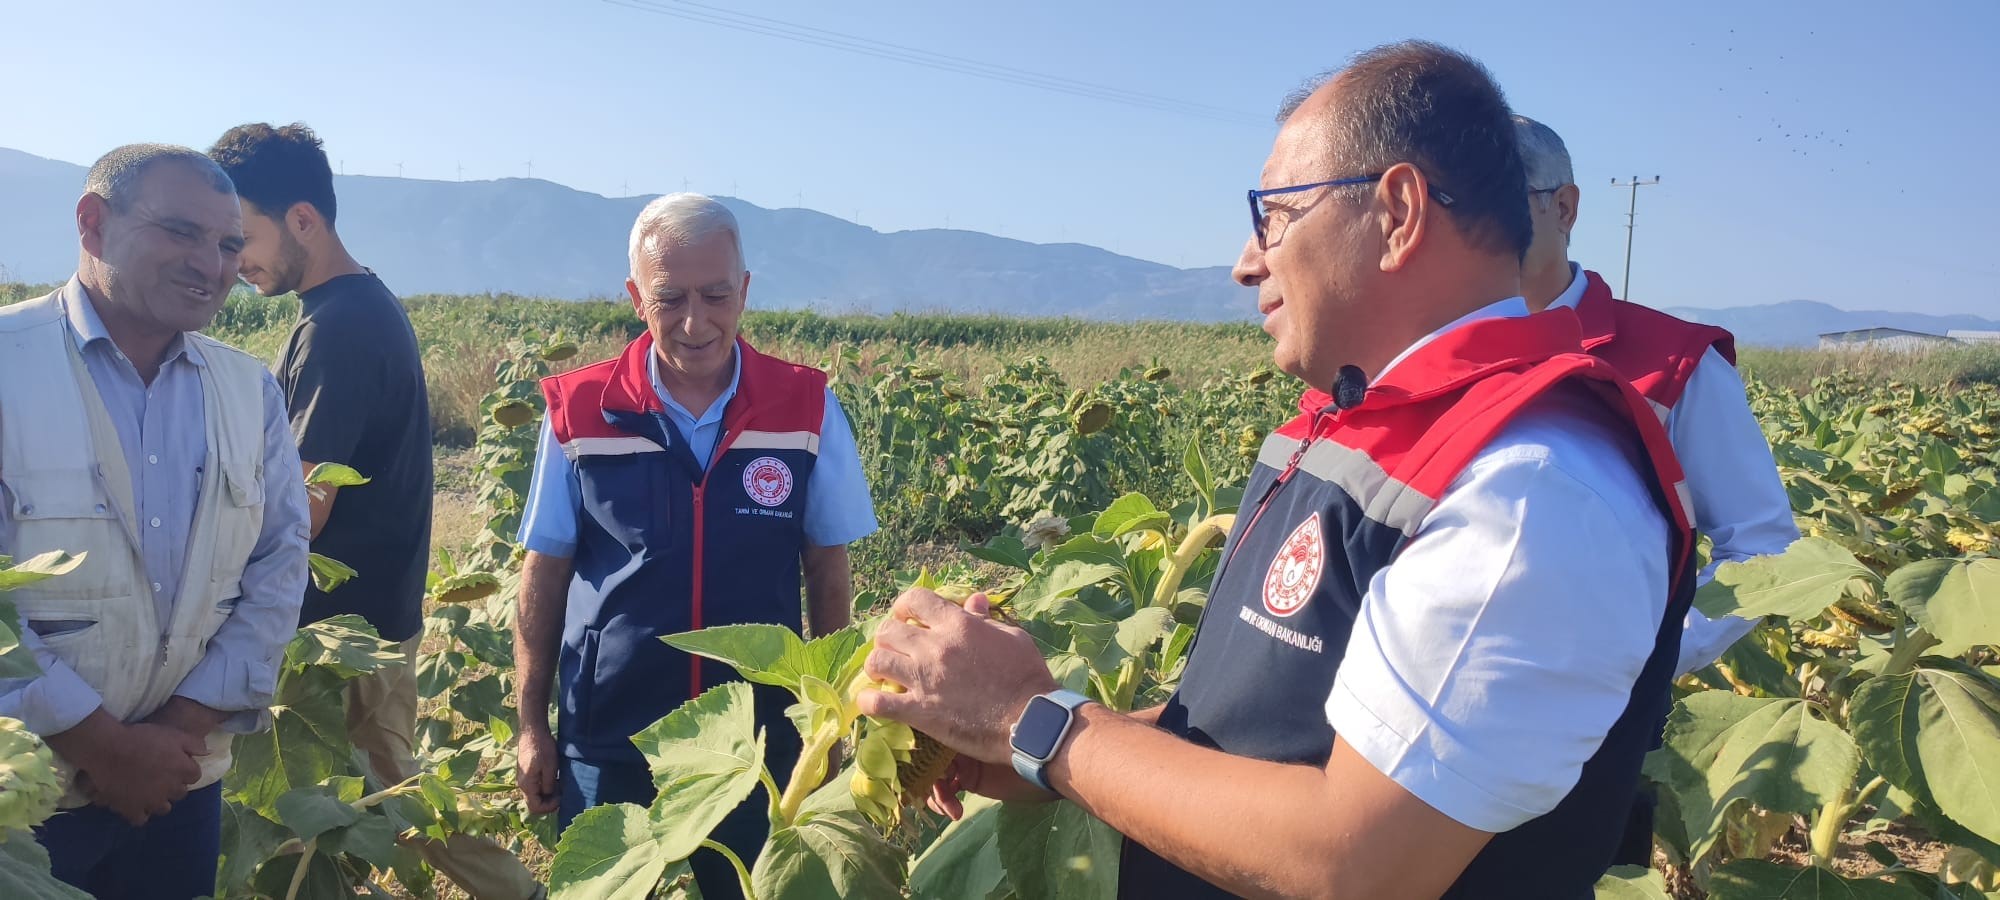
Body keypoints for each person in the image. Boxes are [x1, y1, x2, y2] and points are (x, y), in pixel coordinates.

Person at [854, 41, 1699, 898]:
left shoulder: (1528, 489)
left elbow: (1354, 860)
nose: (1246, 261)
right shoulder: (1364, 430)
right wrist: (1033, 752)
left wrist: (1035, 722)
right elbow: (1253, 732)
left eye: (1277, 213)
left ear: (1399, 212)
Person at [208, 122, 544, 900]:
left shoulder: (339, 330)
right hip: (362, 618)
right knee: (361, 802)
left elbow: (305, 505)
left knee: (391, 802)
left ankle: (519, 894)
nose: (235, 259)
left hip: (347, 631)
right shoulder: (349, 308)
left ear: (302, 220)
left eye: (243, 236)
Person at [512, 193, 878, 898]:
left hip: (755, 739)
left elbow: (827, 568)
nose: (694, 321)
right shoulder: (579, 411)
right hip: (612, 732)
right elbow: (545, 573)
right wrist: (532, 724)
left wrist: (829, 722)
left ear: (743, 290)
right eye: (669, 297)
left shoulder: (804, 407)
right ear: (634, 297)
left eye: (715, 294)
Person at [0, 144, 309, 899]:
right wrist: (100, 744)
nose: (211, 263)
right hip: (24, 796)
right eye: (180, 232)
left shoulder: (247, 390)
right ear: (93, 224)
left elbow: (278, 563)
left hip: (181, 783)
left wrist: (182, 726)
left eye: (229, 244)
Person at [1513, 114, 1800, 677]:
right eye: (1449, 206)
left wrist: (1640, 665)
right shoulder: (1421, 353)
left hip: (1593, 718)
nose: (1471, 229)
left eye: (1496, 202)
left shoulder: (1675, 360)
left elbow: (1763, 542)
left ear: (1564, 208)